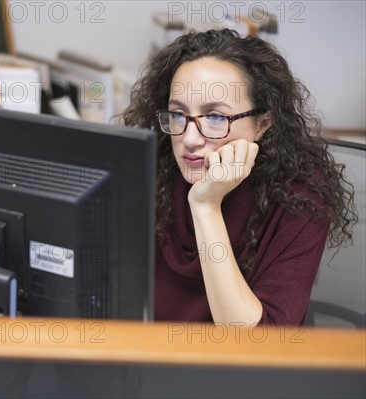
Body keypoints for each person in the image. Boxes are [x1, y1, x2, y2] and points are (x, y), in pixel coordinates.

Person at [122, 29, 357, 326]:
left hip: (237, 369)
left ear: (262, 124)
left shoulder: (300, 193)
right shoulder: (150, 165)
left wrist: (206, 206)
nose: (190, 138)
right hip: (147, 358)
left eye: (215, 117)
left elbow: (261, 345)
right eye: (178, 114)